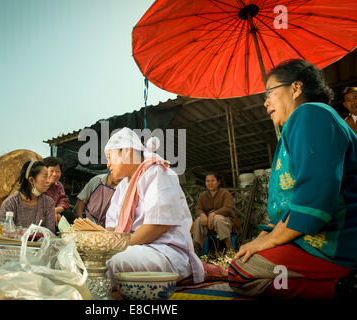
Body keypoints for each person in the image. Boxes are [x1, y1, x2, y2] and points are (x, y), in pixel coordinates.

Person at [228, 59, 357, 299]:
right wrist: (264, 237)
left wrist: (271, 241)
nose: (265, 102)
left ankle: (340, 288)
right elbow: (289, 202)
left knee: (242, 273)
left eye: (270, 92)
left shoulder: (311, 113)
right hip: (315, 235)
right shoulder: (305, 122)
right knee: (245, 260)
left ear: (296, 88)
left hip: (337, 241)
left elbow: (317, 191)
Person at [104, 128, 205, 285]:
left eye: (110, 157)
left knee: (112, 263)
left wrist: (114, 248)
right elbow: (111, 228)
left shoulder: (157, 172)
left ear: (127, 152)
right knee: (91, 258)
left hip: (163, 251)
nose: (108, 164)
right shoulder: (122, 187)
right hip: (131, 248)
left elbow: (155, 226)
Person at [0, 160, 55, 232]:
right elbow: (4, 233)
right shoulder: (10, 204)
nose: (48, 181)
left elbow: (50, 233)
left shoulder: (48, 203)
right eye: (45, 177)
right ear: (31, 180)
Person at [192, 172, 242, 253]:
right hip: (208, 224)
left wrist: (213, 214)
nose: (210, 183)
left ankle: (229, 249)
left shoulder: (225, 193)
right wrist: (202, 215)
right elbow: (198, 209)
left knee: (217, 218)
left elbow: (227, 208)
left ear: (218, 182)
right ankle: (197, 250)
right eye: (207, 181)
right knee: (198, 221)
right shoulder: (203, 196)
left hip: (226, 222)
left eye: (213, 180)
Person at [42, 156, 76, 225]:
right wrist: (51, 213)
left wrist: (55, 211)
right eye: (51, 171)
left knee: (69, 214)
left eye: (57, 171)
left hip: (56, 211)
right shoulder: (39, 184)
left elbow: (63, 201)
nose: (55, 174)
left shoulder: (59, 185)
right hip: (42, 213)